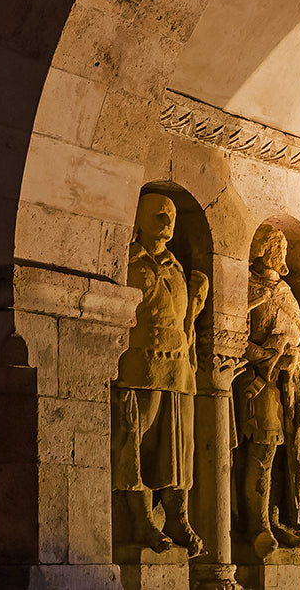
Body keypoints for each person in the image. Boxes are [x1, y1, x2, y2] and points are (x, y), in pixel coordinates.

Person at [112, 192, 209, 555]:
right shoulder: (129, 261)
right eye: (158, 214)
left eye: (169, 215)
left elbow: (184, 321)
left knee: (179, 448)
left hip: (178, 368)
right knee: (136, 444)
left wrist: (195, 310)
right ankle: (142, 520)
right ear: (137, 220)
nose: (167, 221)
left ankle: (178, 517)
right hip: (140, 365)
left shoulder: (176, 265)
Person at [234, 223, 300, 556]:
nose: (283, 255)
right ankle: (257, 524)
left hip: (289, 386)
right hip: (259, 384)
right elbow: (231, 335)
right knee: (262, 450)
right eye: (279, 248)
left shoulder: (285, 291)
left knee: (285, 454)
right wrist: (267, 356)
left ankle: (275, 516)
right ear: (267, 250)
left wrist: (297, 357)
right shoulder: (246, 287)